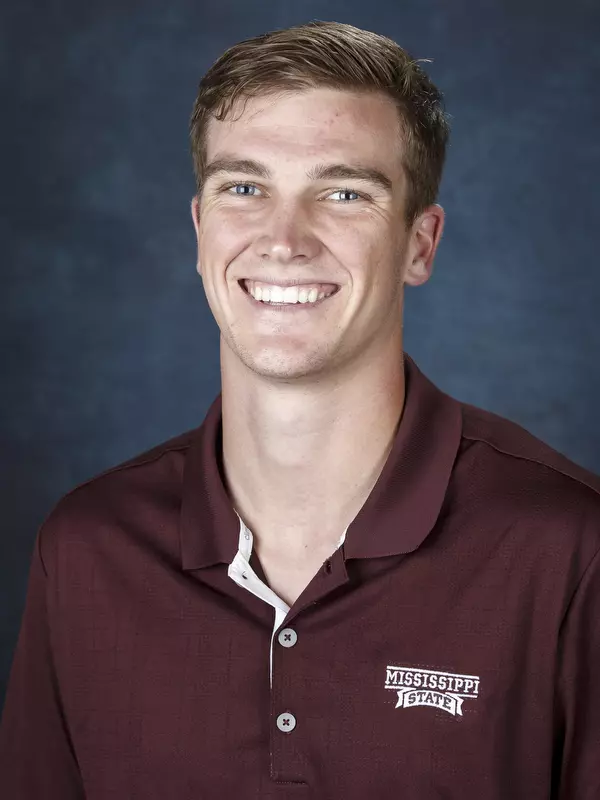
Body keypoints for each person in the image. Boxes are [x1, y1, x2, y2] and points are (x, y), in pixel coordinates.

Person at [1, 19, 599, 799]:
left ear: (421, 244)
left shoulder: (571, 549)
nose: (283, 240)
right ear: (199, 227)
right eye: (244, 188)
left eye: (344, 192)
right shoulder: (86, 549)